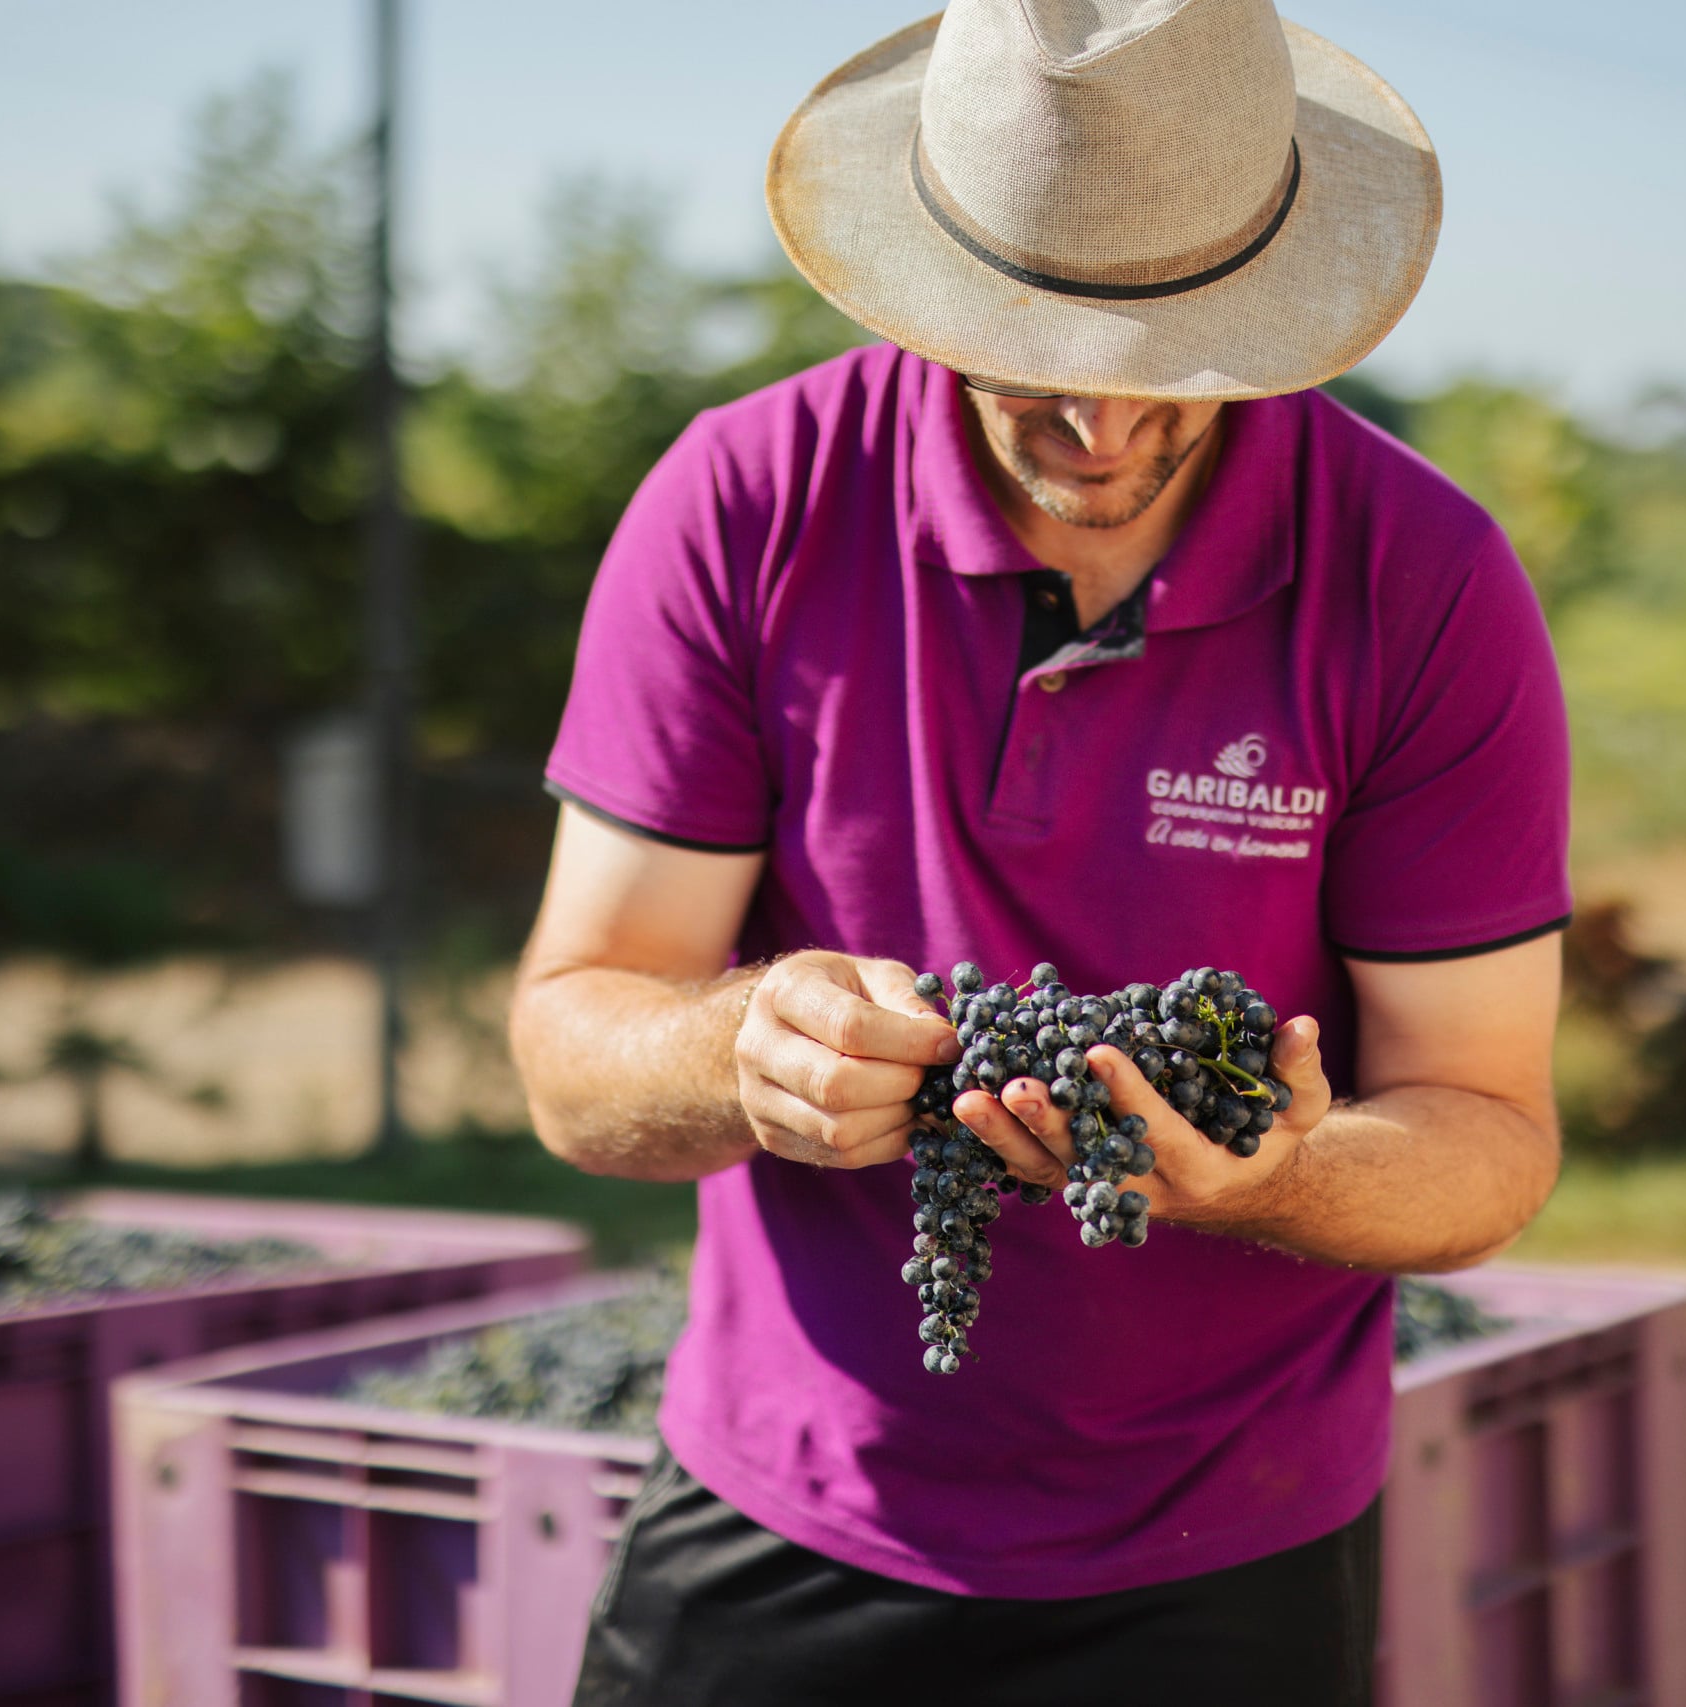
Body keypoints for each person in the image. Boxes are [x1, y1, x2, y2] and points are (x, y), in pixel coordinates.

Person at [510, 1, 1571, 1701]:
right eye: (1035, 353)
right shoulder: (743, 503)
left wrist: (1276, 1180)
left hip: (1227, 1541)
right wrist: (741, 1050)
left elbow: (1491, 1133)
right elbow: (576, 1057)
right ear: (933, 283)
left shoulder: (1423, 581)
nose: (1103, 428)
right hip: (792, 1494)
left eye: (1169, 360)